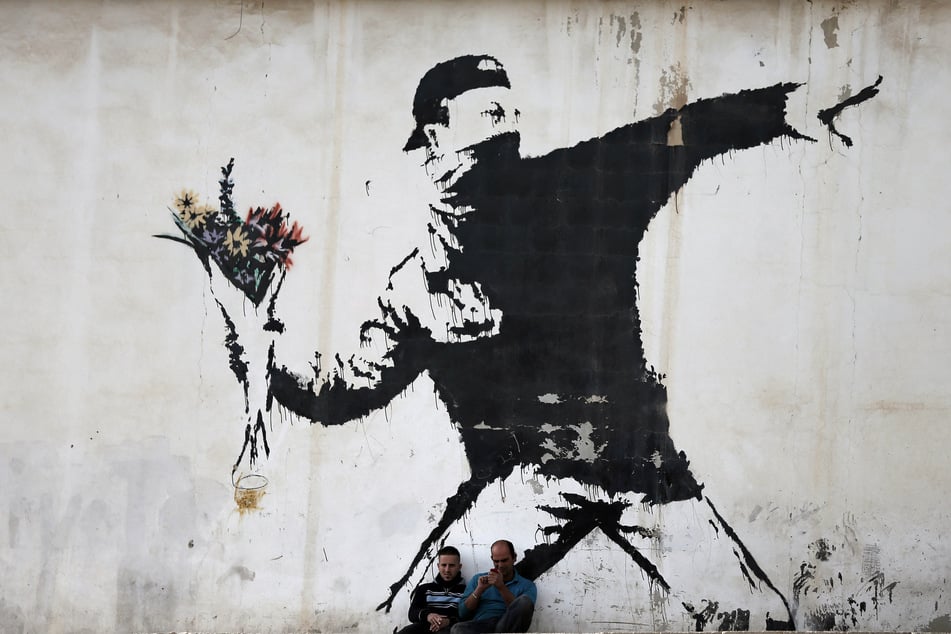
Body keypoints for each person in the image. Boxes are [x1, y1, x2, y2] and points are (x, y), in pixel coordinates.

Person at [169, 53, 880, 628]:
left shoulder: (578, 185)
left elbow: (678, 134)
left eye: (511, 109)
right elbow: (341, 396)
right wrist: (255, 348)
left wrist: (780, 109)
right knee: (410, 618)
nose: (506, 122)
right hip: (519, 487)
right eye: (487, 110)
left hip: (645, 478)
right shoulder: (417, 280)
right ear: (433, 134)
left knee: (759, 619)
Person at [452, 540, 536, 634]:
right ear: (492, 558)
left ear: (514, 558)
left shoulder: (527, 585)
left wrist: (501, 587)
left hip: (506, 626)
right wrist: (479, 590)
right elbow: (462, 614)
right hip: (482, 626)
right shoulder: (478, 579)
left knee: (524, 601)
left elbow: (522, 615)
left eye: (504, 560)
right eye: (496, 561)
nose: (500, 565)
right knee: (457, 629)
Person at [398, 546, 467, 633]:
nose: (447, 570)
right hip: (424, 627)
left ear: (459, 567)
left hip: (450, 629)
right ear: (438, 566)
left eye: (452, 565)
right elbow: (412, 613)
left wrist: (449, 621)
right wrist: (428, 615)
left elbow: (468, 617)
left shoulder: (466, 591)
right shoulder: (424, 589)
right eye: (444, 565)